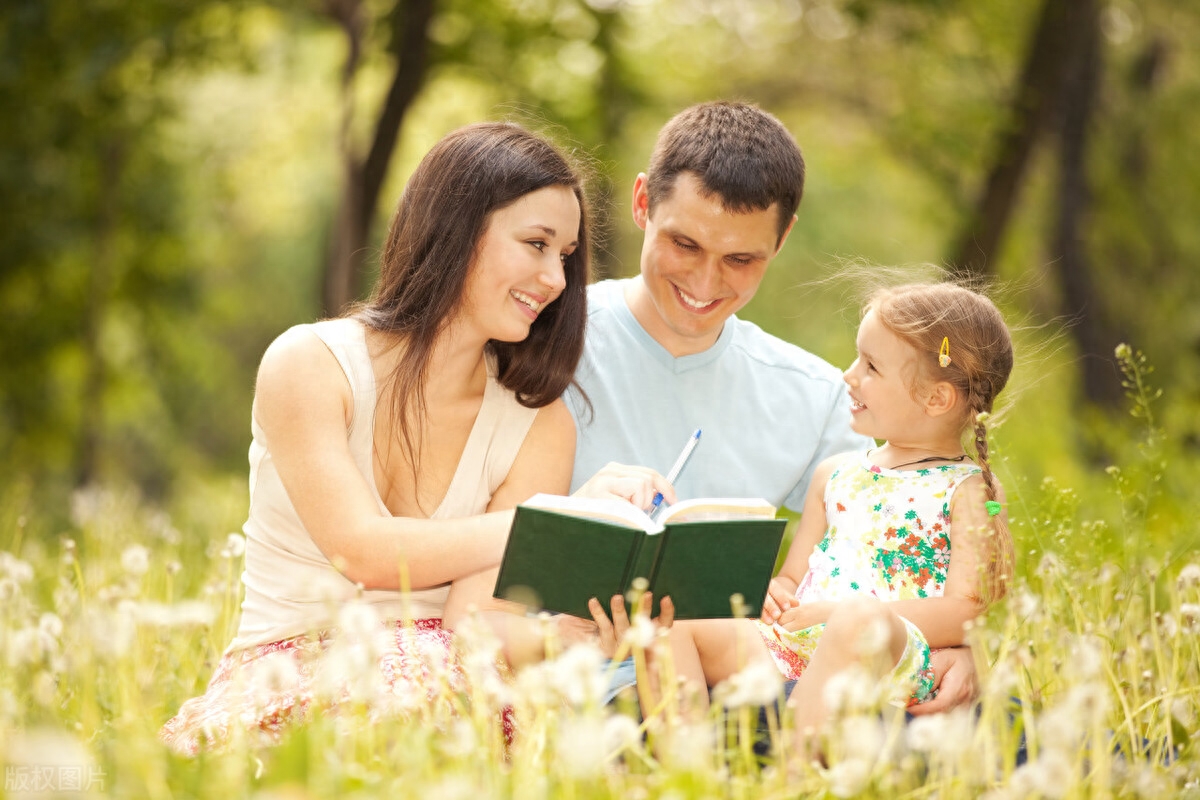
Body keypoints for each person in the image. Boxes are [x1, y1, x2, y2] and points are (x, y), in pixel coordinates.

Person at [160, 122, 671, 755]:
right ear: (456, 227)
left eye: (564, 256)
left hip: (449, 694)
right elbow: (365, 553)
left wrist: (579, 634)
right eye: (536, 243)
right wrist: (553, 521)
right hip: (291, 678)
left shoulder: (539, 421)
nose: (557, 279)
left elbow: (475, 627)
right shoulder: (309, 364)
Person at [566, 101, 978, 707]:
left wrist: (955, 647)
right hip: (566, 683)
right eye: (685, 244)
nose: (706, 284)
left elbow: (893, 550)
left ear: (782, 239)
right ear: (642, 202)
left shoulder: (817, 396)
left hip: (750, 698)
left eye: (741, 259)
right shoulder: (546, 343)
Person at [665, 282, 1015, 748]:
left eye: (871, 366)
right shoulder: (835, 475)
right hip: (795, 647)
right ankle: (686, 771)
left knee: (857, 620)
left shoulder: (968, 489)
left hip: (885, 658)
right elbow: (794, 578)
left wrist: (841, 617)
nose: (849, 376)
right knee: (676, 625)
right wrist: (775, 593)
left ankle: (792, 777)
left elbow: (966, 611)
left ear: (936, 399)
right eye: (857, 358)